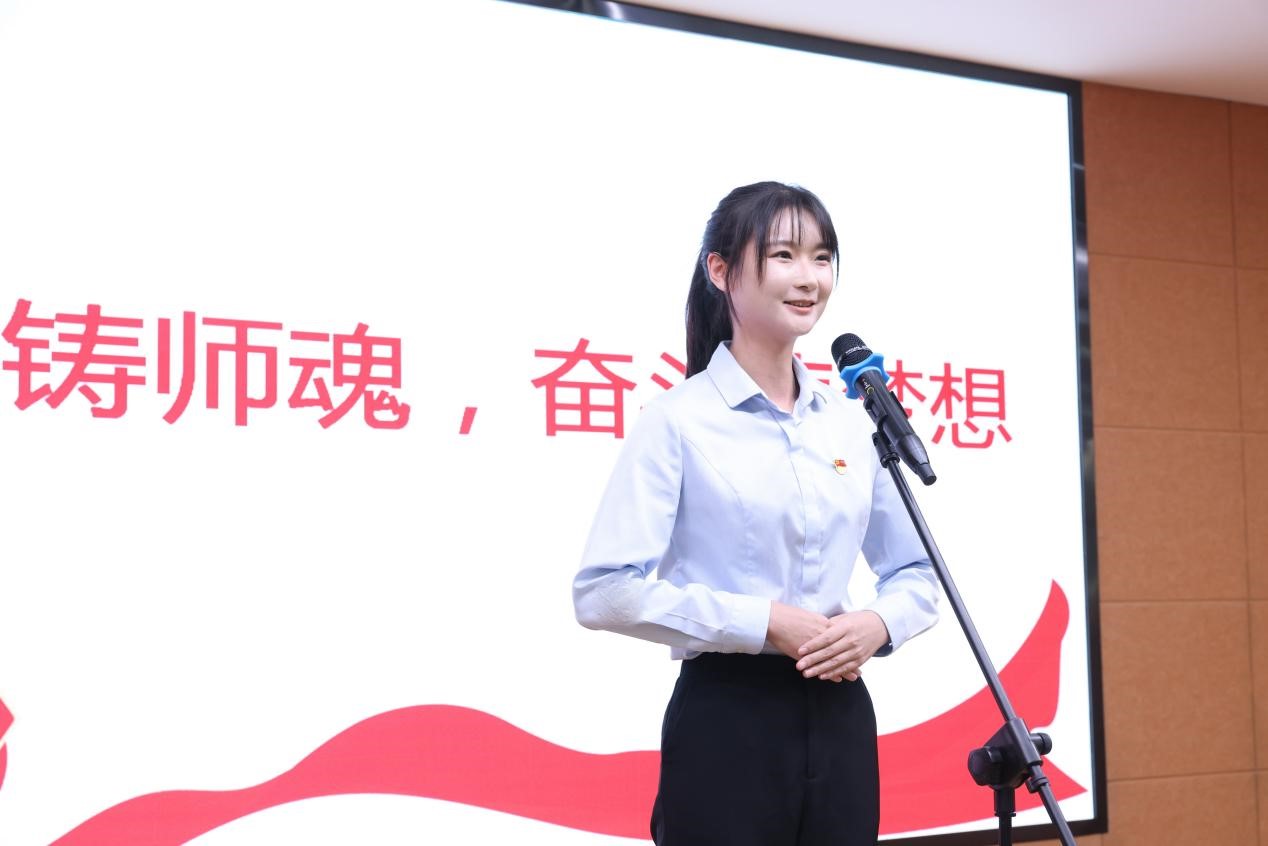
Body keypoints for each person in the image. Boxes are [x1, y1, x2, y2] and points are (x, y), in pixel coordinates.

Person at [573, 181, 939, 846]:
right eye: (784, 256)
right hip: (727, 717)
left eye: (822, 257)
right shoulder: (677, 421)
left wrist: (878, 624)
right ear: (721, 271)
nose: (809, 278)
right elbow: (603, 593)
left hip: (841, 714)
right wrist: (764, 621)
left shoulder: (850, 425)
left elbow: (919, 571)